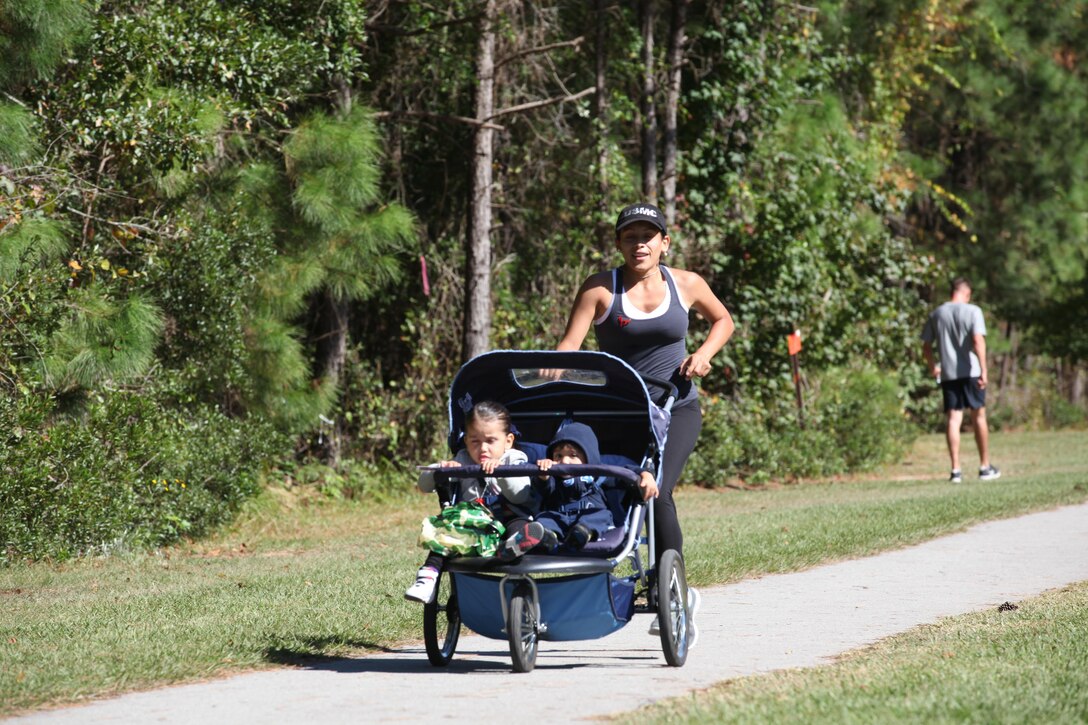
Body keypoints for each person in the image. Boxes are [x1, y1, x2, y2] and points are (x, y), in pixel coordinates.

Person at [555, 201, 735, 636]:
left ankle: (674, 589)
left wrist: (704, 354)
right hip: (620, 412)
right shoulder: (601, 289)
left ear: (664, 243)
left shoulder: (687, 284)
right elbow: (569, 346)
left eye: (648, 236)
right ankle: (602, 574)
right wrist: (550, 380)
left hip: (677, 408)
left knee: (658, 491)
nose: (640, 244)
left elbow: (723, 320)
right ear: (619, 243)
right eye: (630, 237)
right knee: (608, 490)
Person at [406, 401, 552, 603]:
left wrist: (501, 471)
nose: (483, 448)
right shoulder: (463, 459)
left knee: (520, 526)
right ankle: (428, 577)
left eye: (491, 441)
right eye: (475, 441)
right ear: (466, 440)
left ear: (508, 441)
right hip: (474, 525)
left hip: (509, 517)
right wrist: (442, 468)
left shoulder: (514, 458)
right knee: (447, 535)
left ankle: (510, 548)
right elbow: (424, 486)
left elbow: (520, 496)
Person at [921, 277, 1001, 484]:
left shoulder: (937, 313)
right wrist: (984, 370)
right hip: (971, 371)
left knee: (953, 419)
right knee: (979, 417)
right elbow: (977, 340)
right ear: (967, 293)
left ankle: (955, 470)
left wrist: (933, 368)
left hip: (948, 373)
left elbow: (926, 346)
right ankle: (985, 466)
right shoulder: (973, 311)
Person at [534, 422, 659, 550]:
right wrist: (544, 474)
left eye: (573, 455)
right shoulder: (554, 478)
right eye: (558, 456)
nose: (565, 461)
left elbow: (627, 473)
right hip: (559, 517)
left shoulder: (600, 475)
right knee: (545, 517)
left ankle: (581, 534)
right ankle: (546, 536)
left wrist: (646, 474)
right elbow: (545, 489)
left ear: (588, 458)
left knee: (601, 515)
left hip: (591, 516)